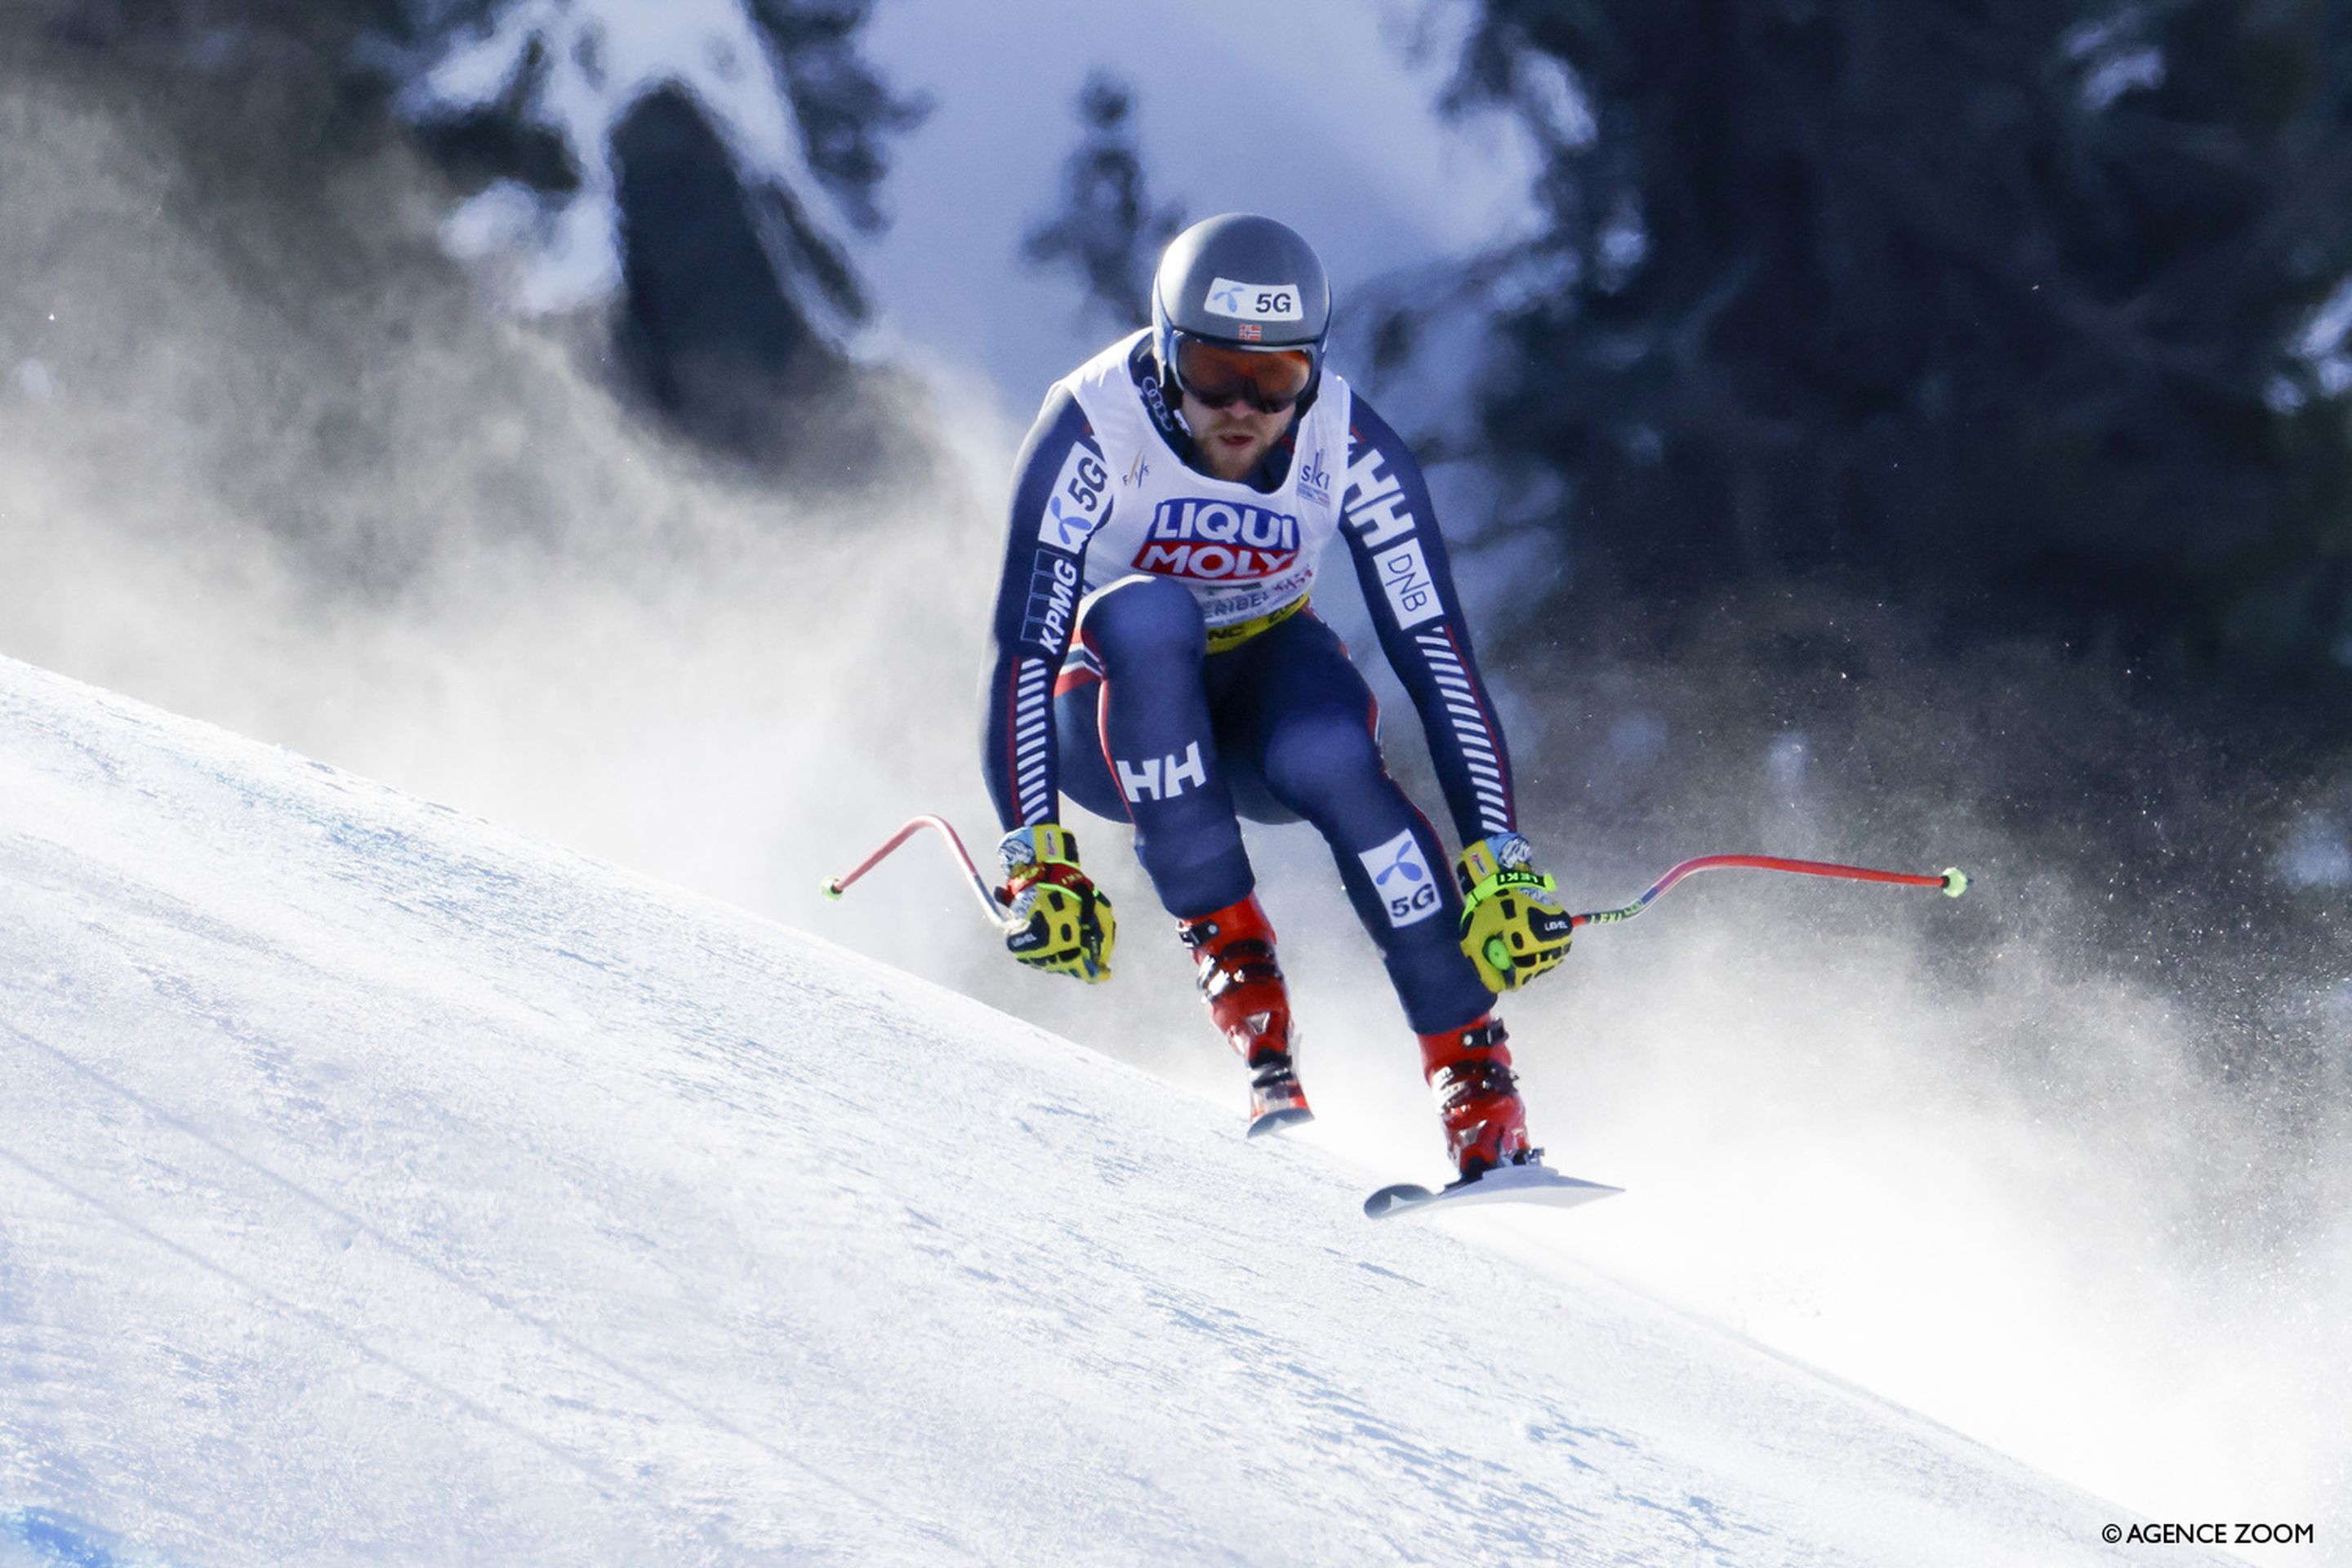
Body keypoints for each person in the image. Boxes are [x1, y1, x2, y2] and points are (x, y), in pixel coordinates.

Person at [979, 213, 1575, 1183]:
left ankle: (1481, 1098)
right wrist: (1032, 853)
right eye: (1215, 371)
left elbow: (1435, 651)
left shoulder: (1350, 443)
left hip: (1261, 708)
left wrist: (1499, 859)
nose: (1244, 410)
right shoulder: (1092, 424)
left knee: (1331, 752)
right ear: (1167, 350)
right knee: (1144, 616)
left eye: (1279, 379)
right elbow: (1023, 642)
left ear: (1315, 370)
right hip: (1111, 716)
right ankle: (1239, 971)